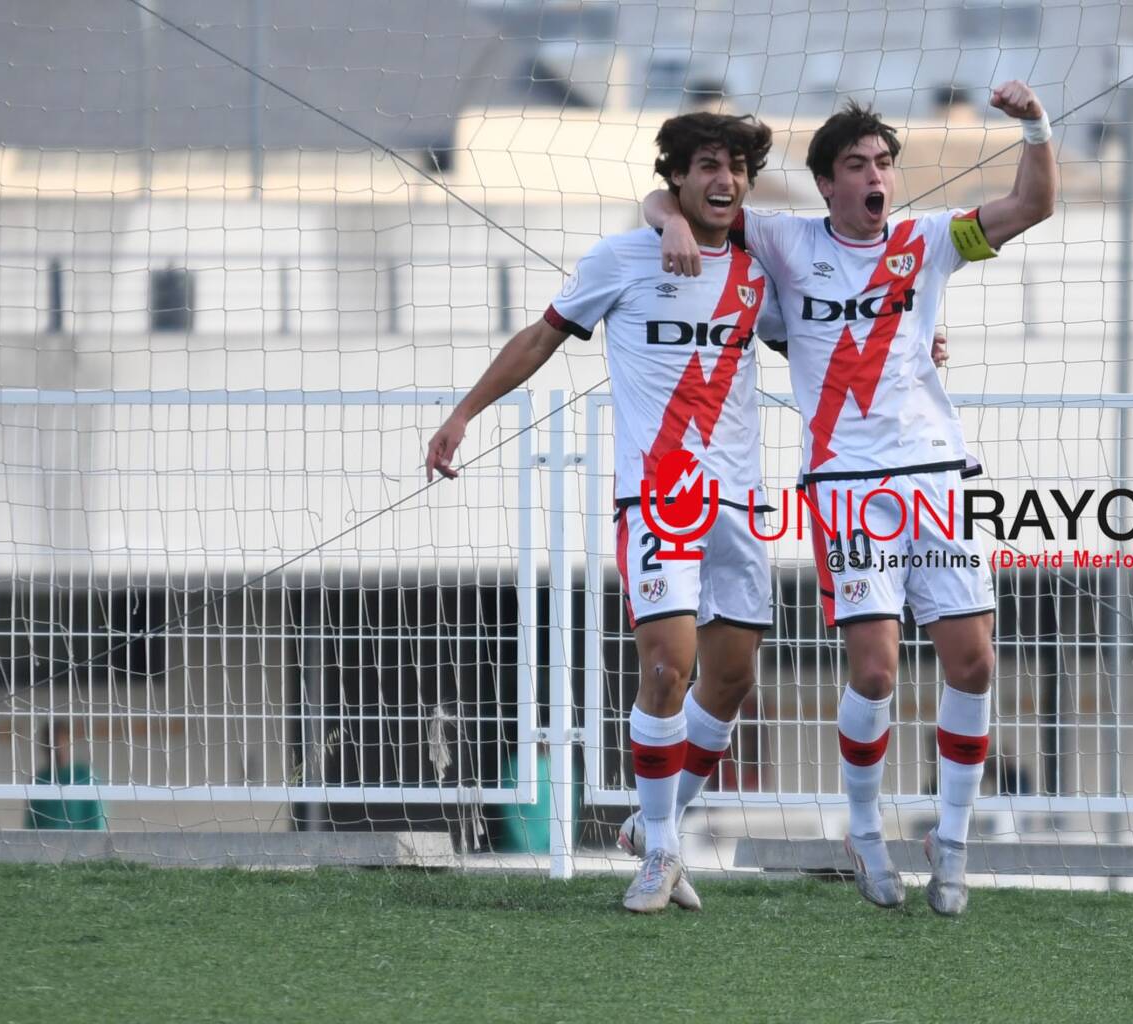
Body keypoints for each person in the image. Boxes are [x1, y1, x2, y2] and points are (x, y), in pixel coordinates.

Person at [644, 81, 1057, 916]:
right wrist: (672, 224)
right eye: (858, 164)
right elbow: (671, 197)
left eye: (884, 163)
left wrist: (1035, 127)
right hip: (846, 487)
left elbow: (1032, 204)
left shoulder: (928, 239)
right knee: (874, 671)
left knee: (975, 662)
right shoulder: (785, 239)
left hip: (936, 477)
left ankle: (951, 840)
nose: (876, 176)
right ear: (826, 182)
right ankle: (863, 830)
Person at [427, 112, 783, 914]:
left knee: (731, 679)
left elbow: (823, 336)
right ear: (677, 177)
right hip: (657, 498)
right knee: (665, 669)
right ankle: (660, 853)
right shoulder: (621, 258)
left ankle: (651, 823)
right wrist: (463, 414)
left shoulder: (761, 268)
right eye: (707, 165)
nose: (724, 180)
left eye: (736, 167)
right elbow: (540, 337)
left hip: (740, 503)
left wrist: (917, 349)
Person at [26, 721, 106, 830]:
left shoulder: (86, 776)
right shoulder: (40, 779)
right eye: (52, 743)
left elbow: (98, 820)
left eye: (61, 742)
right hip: (46, 840)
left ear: (70, 743)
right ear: (45, 746)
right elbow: (31, 823)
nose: (58, 749)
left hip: (81, 840)